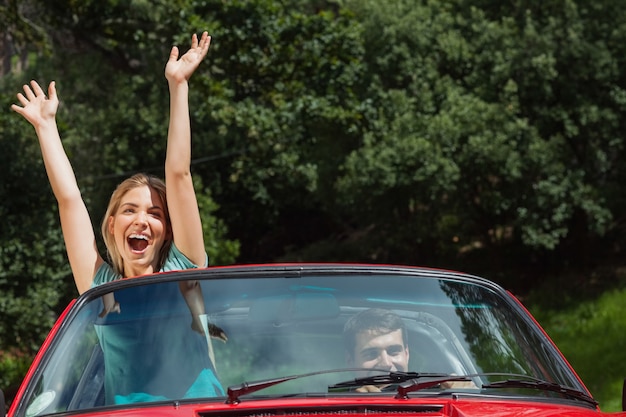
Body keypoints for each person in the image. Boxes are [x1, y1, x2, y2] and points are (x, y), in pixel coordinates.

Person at [12, 31, 225, 402]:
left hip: (198, 411)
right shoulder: (101, 285)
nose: (142, 219)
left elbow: (178, 174)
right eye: (130, 210)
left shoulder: (184, 267)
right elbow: (69, 200)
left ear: (167, 229)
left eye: (155, 213)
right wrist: (46, 128)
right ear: (112, 224)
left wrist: (178, 86)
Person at [343, 308, 474, 392]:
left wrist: (468, 394)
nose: (386, 363)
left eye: (393, 351)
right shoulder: (331, 407)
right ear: (350, 361)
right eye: (371, 354)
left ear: (406, 354)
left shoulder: (440, 397)